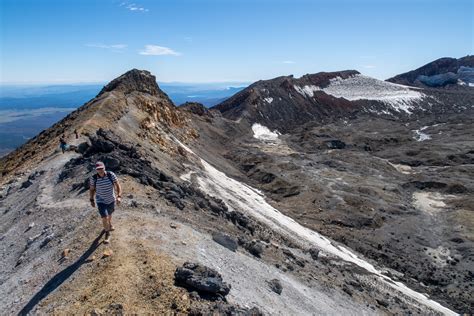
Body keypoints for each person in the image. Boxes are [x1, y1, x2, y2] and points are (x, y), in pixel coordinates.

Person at [89, 161, 122, 244]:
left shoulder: (111, 175)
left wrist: (119, 196)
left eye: (101, 168)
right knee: (104, 217)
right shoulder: (94, 178)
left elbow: (118, 185)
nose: (100, 170)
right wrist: (92, 200)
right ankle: (107, 233)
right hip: (101, 201)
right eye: (98, 169)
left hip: (111, 199)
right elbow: (92, 189)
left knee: (109, 215)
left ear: (104, 168)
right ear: (96, 169)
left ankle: (109, 223)